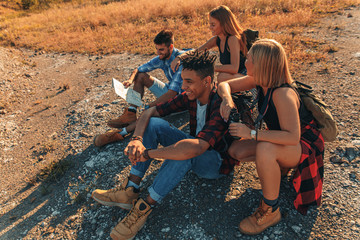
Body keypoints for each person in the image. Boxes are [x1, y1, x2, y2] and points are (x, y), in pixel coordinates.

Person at [91, 50, 237, 240]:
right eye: (183, 80)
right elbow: (150, 111)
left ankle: (144, 206)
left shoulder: (220, 105)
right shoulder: (190, 95)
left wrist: (150, 153)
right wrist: (136, 139)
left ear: (207, 81)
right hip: (195, 147)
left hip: (215, 163)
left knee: (186, 150)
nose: (183, 87)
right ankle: (130, 189)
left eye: (189, 82)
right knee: (154, 124)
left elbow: (197, 148)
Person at [218, 39, 325, 235]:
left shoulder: (282, 93)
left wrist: (251, 133)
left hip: (303, 144)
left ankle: (270, 209)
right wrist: (227, 100)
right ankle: (280, 166)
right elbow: (224, 84)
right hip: (285, 140)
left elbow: (293, 136)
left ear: (262, 64)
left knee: (265, 149)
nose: (245, 63)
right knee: (236, 150)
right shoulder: (261, 80)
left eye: (249, 59)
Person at [94, 30, 185, 147]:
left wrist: (150, 106)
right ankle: (131, 113)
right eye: (156, 49)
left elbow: (172, 94)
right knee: (141, 76)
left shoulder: (181, 61)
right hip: (169, 90)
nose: (158, 53)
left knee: (148, 112)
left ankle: (120, 133)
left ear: (171, 47)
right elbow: (139, 69)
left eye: (161, 50)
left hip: (181, 99)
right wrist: (131, 80)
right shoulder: (162, 57)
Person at [171, 5, 251, 83]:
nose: (210, 28)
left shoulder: (232, 39)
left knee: (221, 77)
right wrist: (179, 58)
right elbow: (196, 51)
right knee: (220, 77)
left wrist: (210, 67)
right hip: (236, 77)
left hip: (247, 77)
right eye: (210, 24)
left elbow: (234, 68)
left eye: (213, 25)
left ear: (224, 24)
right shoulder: (217, 39)